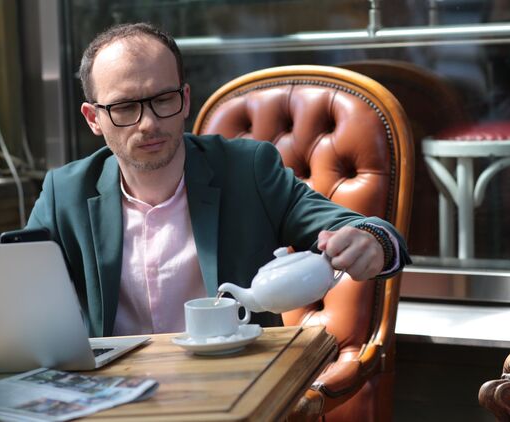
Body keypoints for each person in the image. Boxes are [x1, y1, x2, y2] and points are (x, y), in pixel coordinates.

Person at [26, 22, 411, 337]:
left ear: (185, 99)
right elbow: (16, 291)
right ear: (93, 118)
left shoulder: (248, 170)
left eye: (163, 99)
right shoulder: (65, 192)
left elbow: (357, 228)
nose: (149, 123)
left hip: (237, 383)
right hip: (116, 390)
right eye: (125, 107)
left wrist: (372, 241)